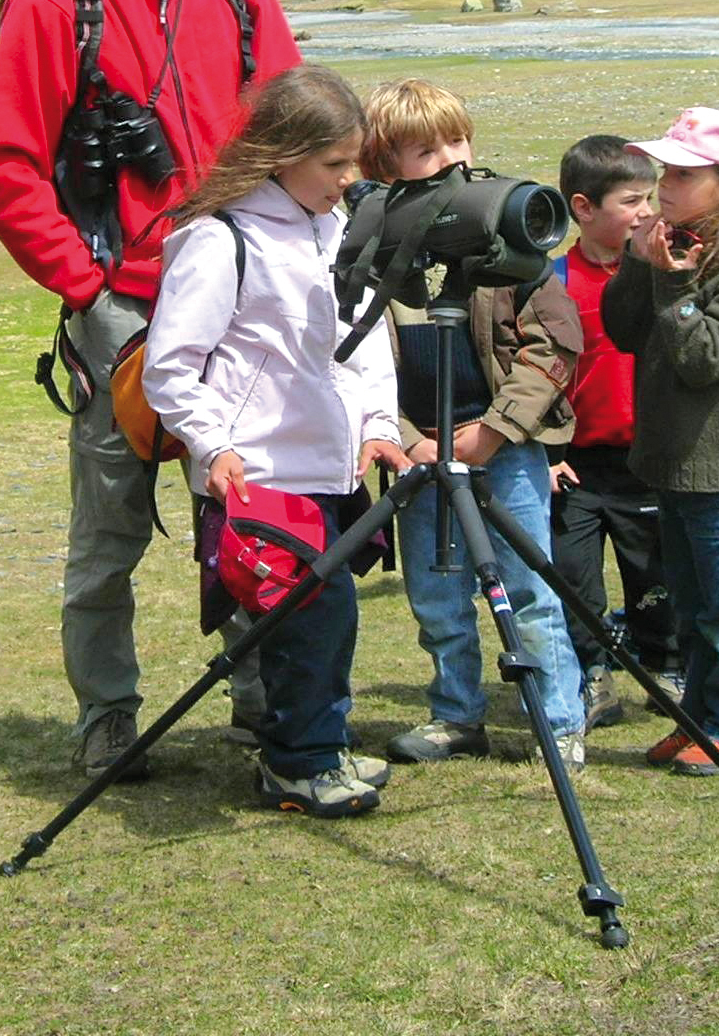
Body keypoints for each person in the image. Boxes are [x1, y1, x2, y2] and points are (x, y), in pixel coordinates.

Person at [0, 0, 300, 780]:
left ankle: (263, 697)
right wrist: (87, 286)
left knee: (250, 512)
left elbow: (293, 131)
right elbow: (3, 163)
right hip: (127, 310)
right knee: (110, 528)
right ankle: (107, 719)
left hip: (237, 300)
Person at [143, 65, 408, 818]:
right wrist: (211, 444)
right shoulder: (217, 237)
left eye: (353, 162)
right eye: (333, 165)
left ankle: (316, 744)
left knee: (330, 617)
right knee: (309, 619)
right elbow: (171, 366)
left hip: (329, 466)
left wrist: (379, 427)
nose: (347, 180)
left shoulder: (336, 228)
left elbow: (359, 346)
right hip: (257, 472)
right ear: (282, 154)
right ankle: (298, 764)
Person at [356, 78, 587, 771]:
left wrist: (494, 428)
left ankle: (559, 721)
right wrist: (404, 437)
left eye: (456, 140)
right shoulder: (373, 247)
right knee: (436, 595)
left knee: (529, 589)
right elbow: (354, 359)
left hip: (504, 450)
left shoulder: (503, 240)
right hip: (418, 453)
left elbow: (554, 345)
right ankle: (455, 715)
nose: (449, 160)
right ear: (385, 163)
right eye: (424, 150)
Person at [602, 107, 719, 777]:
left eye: (681, 173)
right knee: (692, 608)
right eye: (663, 172)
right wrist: (638, 264)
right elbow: (625, 332)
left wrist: (672, 282)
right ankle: (704, 722)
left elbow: (702, 360)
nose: (663, 185)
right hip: (674, 468)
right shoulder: (678, 252)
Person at [548, 135, 681, 729]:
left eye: (650, 197)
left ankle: (667, 668)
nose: (647, 212)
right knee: (574, 580)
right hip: (572, 465)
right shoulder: (550, 280)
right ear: (583, 207)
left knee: (654, 575)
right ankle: (591, 675)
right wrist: (545, 452)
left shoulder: (665, 273)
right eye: (631, 200)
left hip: (646, 461)